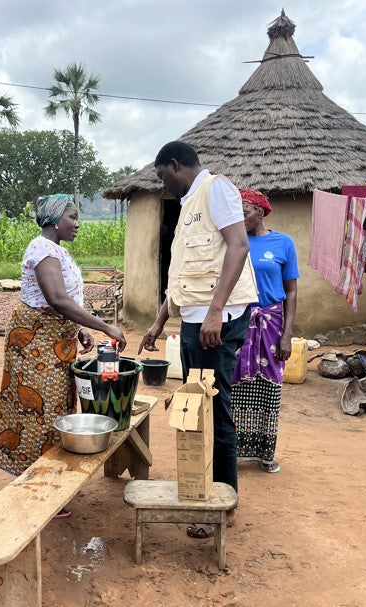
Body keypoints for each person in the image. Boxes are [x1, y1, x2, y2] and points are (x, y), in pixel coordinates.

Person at [137, 141, 258, 539]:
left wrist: (214, 311)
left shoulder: (216, 189)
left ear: (175, 165)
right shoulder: (189, 204)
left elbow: (238, 247)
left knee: (213, 408)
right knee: (196, 404)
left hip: (216, 321)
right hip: (196, 322)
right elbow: (183, 275)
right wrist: (158, 323)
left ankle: (223, 502)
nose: (163, 185)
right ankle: (203, 488)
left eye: (162, 176)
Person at [0, 194, 126, 511]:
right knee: (40, 412)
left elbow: (63, 301)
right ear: (53, 219)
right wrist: (106, 327)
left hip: (55, 341)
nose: (78, 224)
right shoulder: (42, 249)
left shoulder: (56, 250)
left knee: (58, 407)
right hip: (36, 343)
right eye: (73, 217)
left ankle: (45, 479)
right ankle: (38, 484)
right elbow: (57, 299)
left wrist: (79, 330)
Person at [229, 189, 299, 474]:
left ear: (261, 212)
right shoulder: (234, 242)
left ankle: (265, 452)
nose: (241, 218)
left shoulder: (283, 243)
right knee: (234, 384)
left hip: (271, 324)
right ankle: (232, 450)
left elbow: (292, 291)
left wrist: (287, 334)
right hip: (239, 320)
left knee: (270, 386)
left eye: (245, 212)